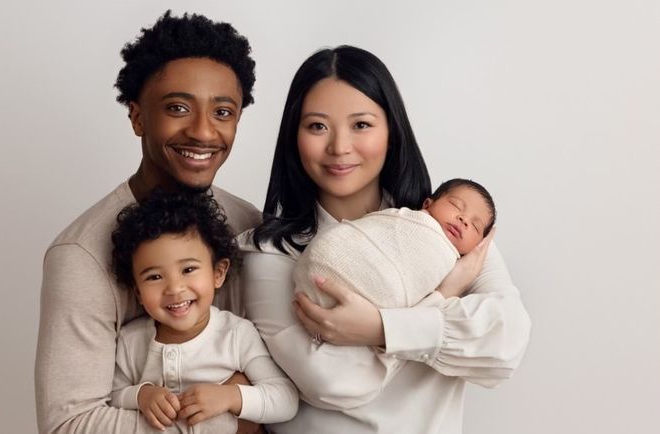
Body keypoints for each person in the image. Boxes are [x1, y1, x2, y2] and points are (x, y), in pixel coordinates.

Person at [237, 46, 531, 433]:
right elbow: (331, 384)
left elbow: (505, 343)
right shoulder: (270, 254)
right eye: (317, 126)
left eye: (361, 125)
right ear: (294, 137)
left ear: (392, 132)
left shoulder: (448, 228)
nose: (339, 147)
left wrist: (380, 329)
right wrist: (442, 297)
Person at [35, 11, 262, 434]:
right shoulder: (81, 256)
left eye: (223, 112)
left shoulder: (250, 226)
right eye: (178, 107)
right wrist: (230, 420)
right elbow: (68, 424)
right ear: (138, 117)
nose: (203, 132)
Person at [108, 190, 297, 433]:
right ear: (138, 293)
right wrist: (140, 396)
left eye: (188, 270)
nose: (175, 289)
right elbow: (112, 397)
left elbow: (285, 399)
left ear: (218, 273)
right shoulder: (130, 341)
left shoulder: (236, 334)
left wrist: (230, 397)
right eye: (154, 277)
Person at [294, 178, 497, 310]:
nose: (464, 219)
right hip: (327, 259)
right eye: (456, 205)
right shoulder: (404, 219)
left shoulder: (459, 266)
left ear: (477, 246)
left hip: (376, 300)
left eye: (475, 225)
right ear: (427, 204)